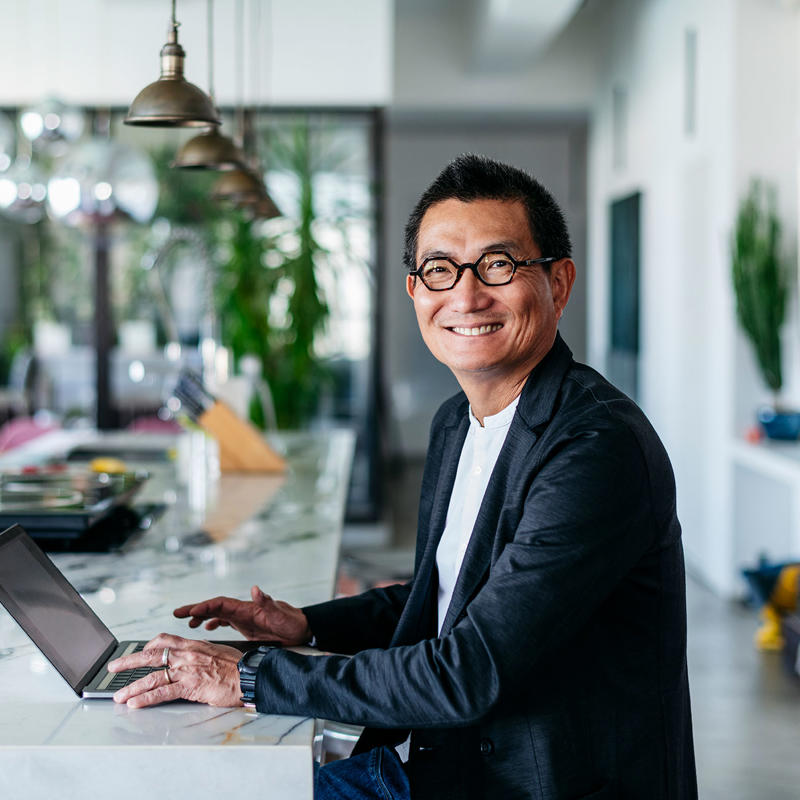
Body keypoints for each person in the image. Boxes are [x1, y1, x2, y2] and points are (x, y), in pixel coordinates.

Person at [110, 154, 697, 799]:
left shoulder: (594, 447)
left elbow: (468, 670)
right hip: (441, 760)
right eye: (441, 270)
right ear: (416, 290)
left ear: (559, 284)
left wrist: (251, 677)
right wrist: (306, 627)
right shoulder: (456, 423)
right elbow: (447, 592)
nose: (466, 296)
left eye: (498, 265)